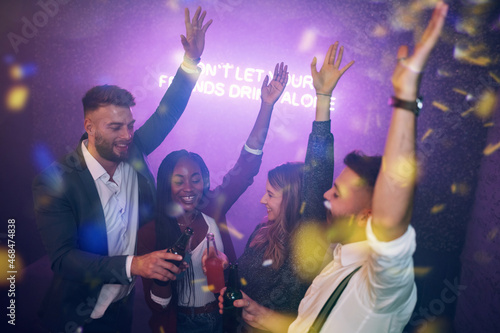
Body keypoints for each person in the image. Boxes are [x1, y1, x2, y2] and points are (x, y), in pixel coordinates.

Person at [221, 2, 449, 332]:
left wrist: (405, 96)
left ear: (370, 215)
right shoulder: (335, 262)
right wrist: (265, 317)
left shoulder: (381, 284)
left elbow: (318, 175)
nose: (326, 192)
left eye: (338, 193)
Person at [32, 6, 212, 332]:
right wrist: (135, 265)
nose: (127, 136)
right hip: (76, 316)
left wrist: (191, 63)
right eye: (116, 127)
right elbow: (63, 258)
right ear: (90, 127)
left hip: (125, 309)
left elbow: (166, 113)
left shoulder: (133, 151)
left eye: (130, 125)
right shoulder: (56, 180)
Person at [137, 62, 289, 333]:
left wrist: (267, 106)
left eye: (195, 178)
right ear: (166, 184)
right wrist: (165, 273)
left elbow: (247, 164)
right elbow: (157, 305)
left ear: (204, 180)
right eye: (179, 180)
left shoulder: (213, 207)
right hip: (178, 325)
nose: (188, 187)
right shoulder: (150, 231)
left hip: (224, 322)